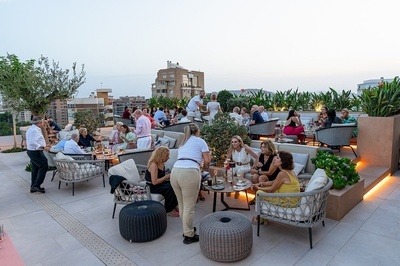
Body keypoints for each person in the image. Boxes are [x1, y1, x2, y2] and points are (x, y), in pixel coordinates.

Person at [170, 123, 210, 244]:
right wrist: (204, 167)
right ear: (197, 132)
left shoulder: (183, 143)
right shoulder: (200, 141)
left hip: (175, 171)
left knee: (182, 204)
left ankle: (187, 229)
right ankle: (188, 235)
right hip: (189, 173)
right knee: (189, 206)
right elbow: (207, 160)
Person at [252, 151, 300, 224]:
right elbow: (273, 182)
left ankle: (260, 218)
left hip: (287, 201)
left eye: (277, 158)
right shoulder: (289, 171)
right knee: (265, 189)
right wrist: (260, 184)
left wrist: (258, 188)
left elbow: (271, 190)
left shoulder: (282, 173)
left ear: (282, 161)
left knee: (259, 193)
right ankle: (263, 217)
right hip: (293, 199)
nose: (274, 159)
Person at [145, 146, 179, 216]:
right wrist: (166, 177)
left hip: (159, 184)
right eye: (166, 156)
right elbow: (154, 182)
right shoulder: (154, 165)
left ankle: (174, 205)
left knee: (174, 184)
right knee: (170, 188)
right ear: (161, 156)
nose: (168, 158)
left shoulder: (161, 163)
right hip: (152, 187)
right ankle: (169, 209)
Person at [248, 139, 280, 205]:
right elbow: (254, 168)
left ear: (269, 148)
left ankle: (264, 198)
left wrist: (257, 171)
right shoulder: (261, 155)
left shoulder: (274, 157)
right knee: (254, 177)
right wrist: (257, 166)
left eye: (264, 147)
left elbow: (270, 173)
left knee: (261, 178)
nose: (261, 149)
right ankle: (257, 196)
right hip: (263, 174)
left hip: (273, 177)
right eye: (261, 147)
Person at [26, 116, 51, 193]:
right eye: (42, 122)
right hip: (36, 152)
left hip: (32, 151)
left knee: (35, 168)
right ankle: (36, 185)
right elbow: (32, 142)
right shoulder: (35, 131)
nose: (43, 123)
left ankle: (33, 186)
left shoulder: (32, 129)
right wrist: (44, 148)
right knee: (44, 166)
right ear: (38, 123)